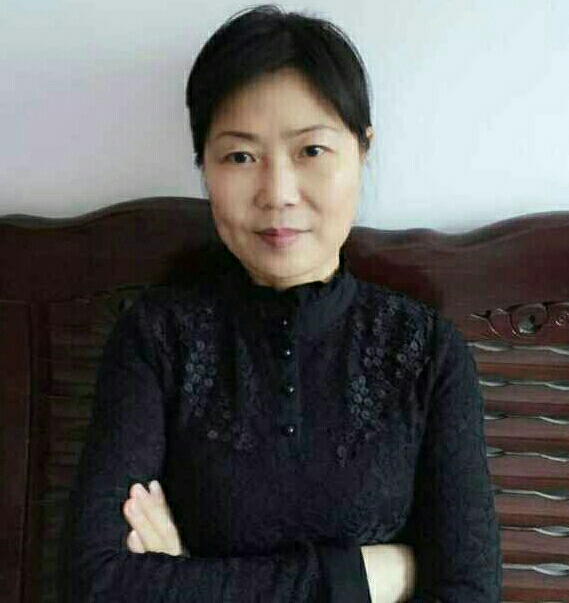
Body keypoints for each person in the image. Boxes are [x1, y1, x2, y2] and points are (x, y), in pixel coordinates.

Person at [59, 5, 502, 602]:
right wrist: (365, 578)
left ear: (362, 150)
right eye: (241, 156)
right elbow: (95, 585)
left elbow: (469, 592)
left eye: (310, 151)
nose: (278, 194)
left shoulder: (426, 354)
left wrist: (187, 578)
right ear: (204, 165)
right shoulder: (156, 339)